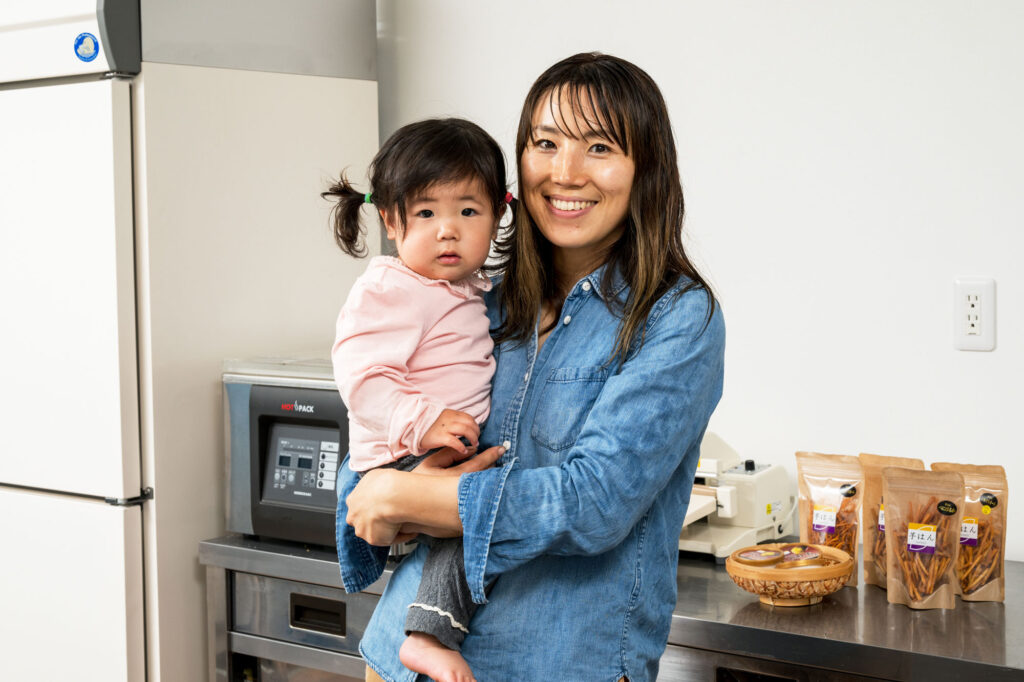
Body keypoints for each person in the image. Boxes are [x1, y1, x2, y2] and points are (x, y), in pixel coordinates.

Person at [340, 52, 726, 682]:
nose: (565, 173)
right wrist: (382, 494)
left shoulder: (677, 319)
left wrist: (413, 495)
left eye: (598, 146)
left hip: (551, 665)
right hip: (397, 660)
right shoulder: (476, 294)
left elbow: (592, 504)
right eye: (545, 143)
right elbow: (376, 443)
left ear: (645, 171)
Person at [325, 117, 512, 682]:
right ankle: (425, 638)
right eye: (426, 213)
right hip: (398, 455)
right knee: (482, 511)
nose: (447, 231)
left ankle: (425, 634)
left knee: (473, 523)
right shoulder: (391, 288)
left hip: (433, 453)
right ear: (389, 219)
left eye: (468, 211)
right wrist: (424, 421)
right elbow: (361, 378)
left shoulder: (468, 290)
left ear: (499, 215)